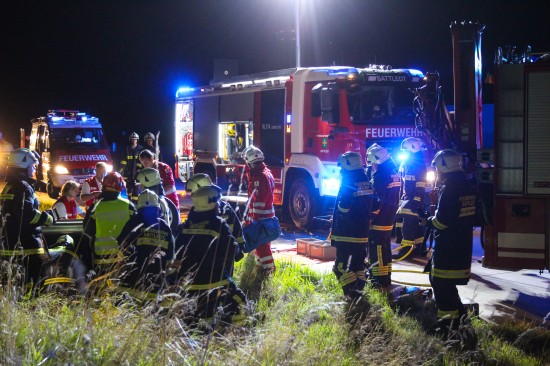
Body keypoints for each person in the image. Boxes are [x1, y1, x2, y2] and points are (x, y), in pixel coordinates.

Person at [172, 185, 247, 325]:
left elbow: (177, 251)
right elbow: (231, 248)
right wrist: (237, 253)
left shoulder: (187, 225)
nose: (218, 206)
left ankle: (202, 332)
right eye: (217, 203)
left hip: (190, 285)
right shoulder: (218, 224)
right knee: (240, 303)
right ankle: (235, 335)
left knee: (198, 315)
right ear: (211, 204)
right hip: (216, 280)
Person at [424, 150, 476, 336]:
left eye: (437, 168)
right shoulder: (466, 185)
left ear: (444, 167)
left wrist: (428, 220)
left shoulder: (450, 187)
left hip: (448, 247)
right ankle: (463, 324)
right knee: (447, 287)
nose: (436, 172)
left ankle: (447, 330)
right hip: (461, 245)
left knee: (441, 286)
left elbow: (442, 221)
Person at [0, 148, 54, 288]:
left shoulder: (10, 186)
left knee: (14, 285)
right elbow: (27, 215)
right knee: (33, 283)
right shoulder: (23, 187)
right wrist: (47, 218)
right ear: (23, 165)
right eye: (33, 165)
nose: (34, 169)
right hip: (26, 245)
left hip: (11, 245)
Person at [330, 151, 375, 301]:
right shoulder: (367, 181)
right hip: (362, 233)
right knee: (357, 267)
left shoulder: (348, 183)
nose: (341, 171)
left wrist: (338, 219)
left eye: (342, 168)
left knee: (340, 268)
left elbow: (344, 207)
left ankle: (351, 295)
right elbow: (375, 204)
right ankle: (360, 296)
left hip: (347, 234)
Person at [116, 189, 174, 302]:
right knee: (151, 313)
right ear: (157, 207)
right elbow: (170, 255)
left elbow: (121, 242)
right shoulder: (165, 226)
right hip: (156, 279)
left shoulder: (133, 222)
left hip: (132, 278)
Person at [185, 173, 245, 265]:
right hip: (225, 259)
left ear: (202, 190)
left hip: (205, 261)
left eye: (193, 193)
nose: (192, 196)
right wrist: (238, 248)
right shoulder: (226, 207)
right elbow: (237, 231)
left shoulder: (198, 211)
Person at [83, 171, 135, 276]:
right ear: (120, 186)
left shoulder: (96, 206)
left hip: (101, 256)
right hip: (123, 255)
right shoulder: (128, 205)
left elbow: (87, 230)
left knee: (102, 287)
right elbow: (136, 228)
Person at [365, 144, 400, 290]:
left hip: (379, 220)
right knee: (385, 250)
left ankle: (378, 281)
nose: (371, 166)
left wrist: (370, 217)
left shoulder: (381, 177)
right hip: (389, 218)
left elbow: (377, 201)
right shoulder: (393, 173)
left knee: (377, 251)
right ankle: (386, 279)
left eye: (372, 162)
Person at [243, 146, 276, 274]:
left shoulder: (259, 177)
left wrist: (253, 220)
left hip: (261, 218)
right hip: (266, 216)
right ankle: (261, 267)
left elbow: (259, 200)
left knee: (261, 245)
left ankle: (269, 270)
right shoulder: (265, 172)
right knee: (262, 244)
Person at [395, 137, 427, 259]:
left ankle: (406, 251)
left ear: (412, 149)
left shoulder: (418, 163)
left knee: (408, 226)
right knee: (414, 224)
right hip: (406, 198)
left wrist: (417, 200)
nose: (404, 152)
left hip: (412, 199)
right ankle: (419, 249)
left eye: (405, 150)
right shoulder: (408, 162)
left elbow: (420, 183)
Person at [135, 168, 180, 234]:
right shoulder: (163, 200)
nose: (140, 187)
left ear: (147, 182)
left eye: (141, 185)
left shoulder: (151, 202)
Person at [119, 132, 143, 204]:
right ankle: (129, 201)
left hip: (137, 172)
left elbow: (141, 161)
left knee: (136, 188)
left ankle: (135, 203)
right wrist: (122, 170)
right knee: (129, 188)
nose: (133, 141)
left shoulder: (141, 149)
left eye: (135, 139)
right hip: (127, 172)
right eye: (132, 139)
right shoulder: (126, 149)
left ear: (137, 140)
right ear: (130, 140)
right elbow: (123, 160)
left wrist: (139, 170)